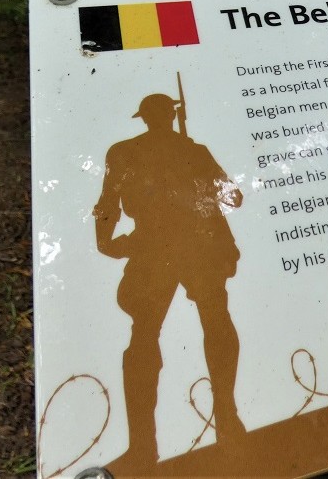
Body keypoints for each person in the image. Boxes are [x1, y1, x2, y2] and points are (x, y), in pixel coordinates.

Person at [93, 93, 245, 464]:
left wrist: (106, 243)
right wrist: (199, 191)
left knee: (183, 327)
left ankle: (217, 420)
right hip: (174, 243)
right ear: (171, 117)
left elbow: (232, 197)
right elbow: (232, 198)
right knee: (179, 328)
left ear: (145, 118)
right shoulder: (182, 150)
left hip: (170, 244)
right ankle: (216, 421)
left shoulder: (133, 151)